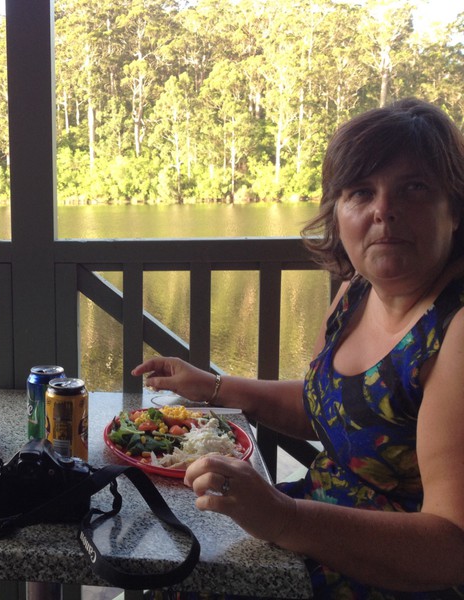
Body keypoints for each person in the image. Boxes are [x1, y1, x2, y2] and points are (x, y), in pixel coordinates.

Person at [132, 98, 464, 599]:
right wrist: (213, 386)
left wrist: (281, 517)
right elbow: (327, 409)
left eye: (413, 188)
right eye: (360, 192)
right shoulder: (355, 294)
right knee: (165, 546)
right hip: (314, 527)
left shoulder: (455, 329)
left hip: (387, 576)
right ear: (338, 213)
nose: (384, 210)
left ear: (454, 208)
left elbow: (451, 548)